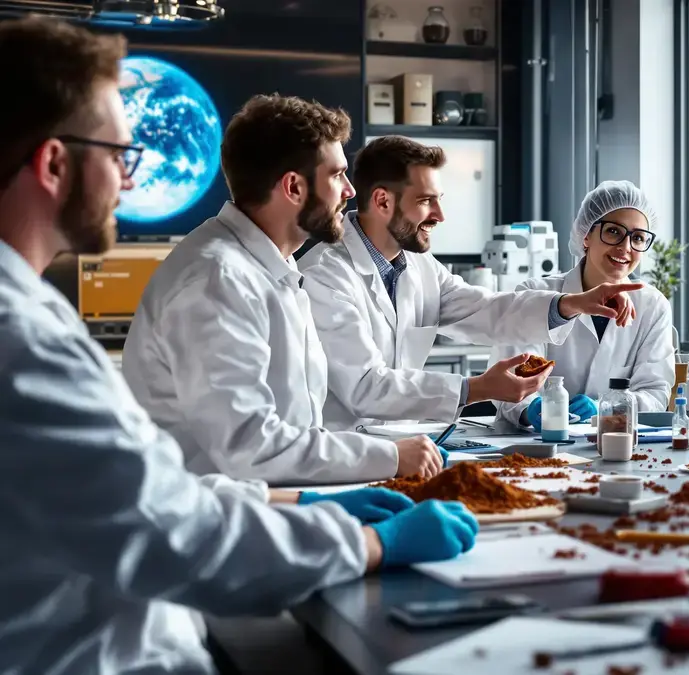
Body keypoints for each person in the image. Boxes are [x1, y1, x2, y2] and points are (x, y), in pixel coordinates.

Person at [0, 18, 477, 674]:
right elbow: (176, 522)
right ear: (55, 163)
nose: (129, 183)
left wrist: (306, 502)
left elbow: (164, 492)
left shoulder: (269, 271)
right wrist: (365, 541)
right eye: (120, 157)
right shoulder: (31, 336)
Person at [121, 97, 446, 484]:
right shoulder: (218, 279)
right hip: (215, 510)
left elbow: (295, 426)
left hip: (267, 497)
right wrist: (390, 456)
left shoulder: (275, 265)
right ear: (293, 187)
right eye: (337, 175)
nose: (349, 191)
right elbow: (250, 447)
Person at [298, 135, 644, 428]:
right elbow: (365, 387)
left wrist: (571, 304)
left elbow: (486, 310)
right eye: (425, 201)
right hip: (341, 453)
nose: (440, 215)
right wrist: (476, 388)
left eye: (439, 200)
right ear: (382, 201)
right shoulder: (324, 275)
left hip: (399, 447)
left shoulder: (419, 266)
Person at [491, 181, 675, 429]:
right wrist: (532, 409)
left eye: (638, 238)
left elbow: (655, 392)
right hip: (535, 441)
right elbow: (511, 381)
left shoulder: (652, 306)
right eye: (613, 231)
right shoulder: (535, 293)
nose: (625, 247)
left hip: (613, 440)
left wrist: (607, 407)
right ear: (586, 235)